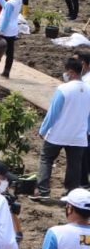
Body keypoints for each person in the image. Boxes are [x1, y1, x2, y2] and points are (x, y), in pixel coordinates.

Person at [36, 58, 90, 200]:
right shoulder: (89, 90)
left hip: (58, 133)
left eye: (66, 71)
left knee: (46, 159)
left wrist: (43, 130)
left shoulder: (63, 89)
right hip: (79, 135)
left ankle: (43, 191)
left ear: (71, 72)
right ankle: (70, 193)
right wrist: (87, 131)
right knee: (74, 164)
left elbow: (53, 113)